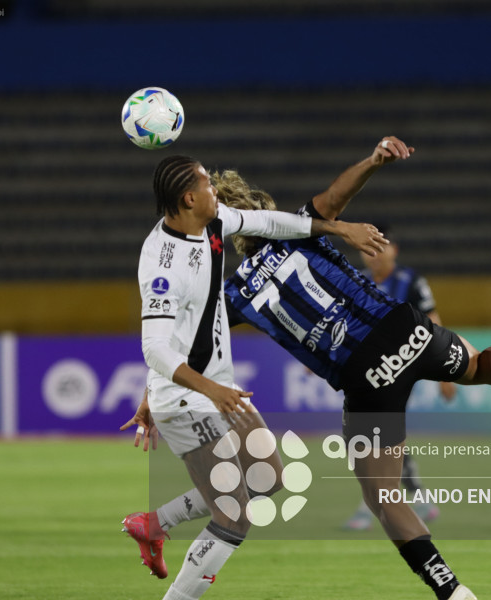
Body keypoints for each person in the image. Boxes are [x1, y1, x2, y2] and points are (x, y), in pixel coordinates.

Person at [127, 138, 491, 600]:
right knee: (481, 363)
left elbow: (188, 333)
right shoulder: (300, 228)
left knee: (383, 498)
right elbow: (335, 196)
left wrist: (155, 390)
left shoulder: (235, 294)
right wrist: (375, 160)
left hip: (365, 378)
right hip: (405, 331)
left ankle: (451, 588)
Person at [122, 153, 390, 599]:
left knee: (268, 476)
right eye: (207, 184)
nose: (216, 189)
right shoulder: (161, 269)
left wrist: (339, 228)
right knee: (234, 513)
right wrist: (201, 390)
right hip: (191, 399)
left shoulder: (211, 221)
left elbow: (271, 224)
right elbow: (154, 347)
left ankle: (154, 524)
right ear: (189, 198)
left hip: (215, 386)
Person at [343, 224, 456, 530]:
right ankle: (417, 496)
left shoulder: (411, 281)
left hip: (400, 368)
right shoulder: (357, 281)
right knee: (382, 437)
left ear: (395, 250)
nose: (375, 256)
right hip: (364, 372)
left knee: (375, 435)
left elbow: (433, 322)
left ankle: (372, 505)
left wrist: (446, 372)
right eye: (369, 249)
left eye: (382, 248)